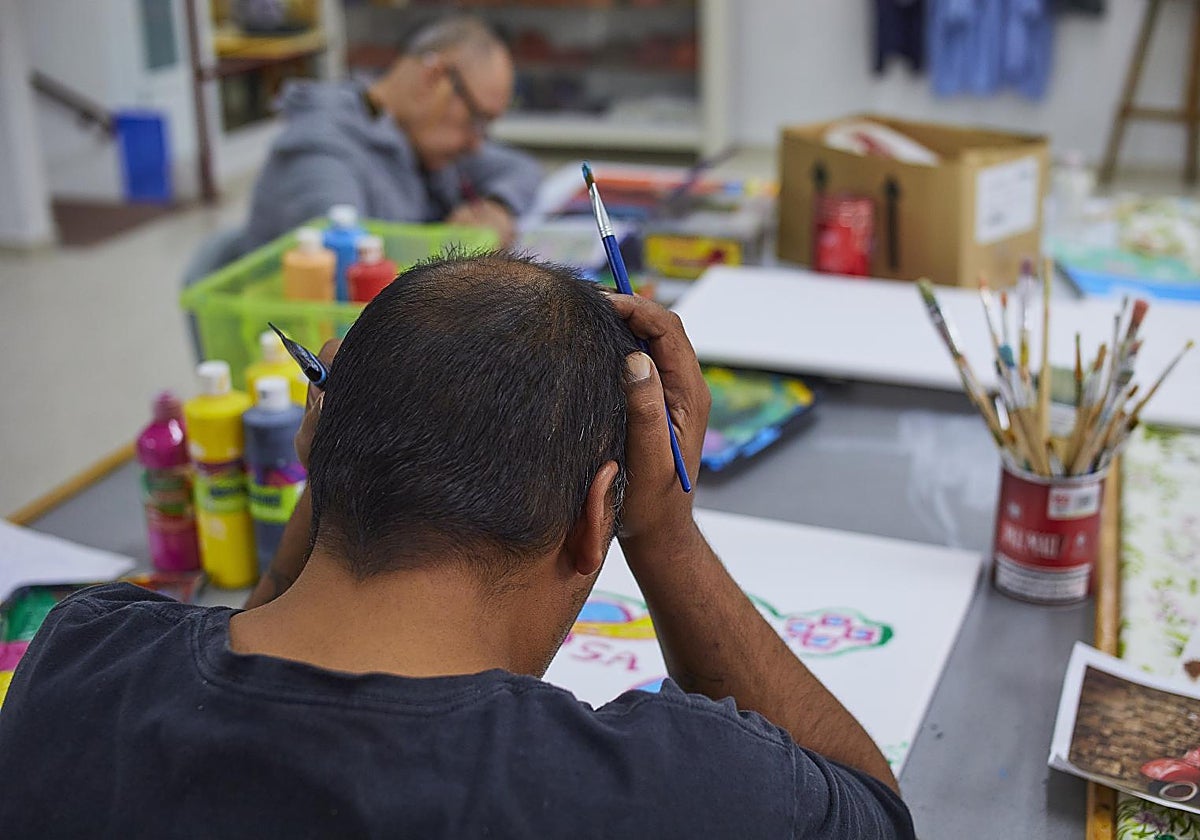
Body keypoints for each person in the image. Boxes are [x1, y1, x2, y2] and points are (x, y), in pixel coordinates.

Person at [0, 253, 914, 838]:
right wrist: (667, 537)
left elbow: (254, 663)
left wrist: (344, 454)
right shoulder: (668, 792)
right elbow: (873, 812)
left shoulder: (81, 665)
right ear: (600, 514)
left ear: (319, 449)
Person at [235, 15, 540, 253]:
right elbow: (348, 279)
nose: (477, 143)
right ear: (433, 78)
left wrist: (497, 206)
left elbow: (522, 169)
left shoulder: (423, 139)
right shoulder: (320, 155)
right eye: (476, 118)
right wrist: (463, 242)